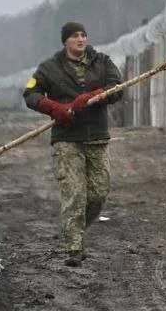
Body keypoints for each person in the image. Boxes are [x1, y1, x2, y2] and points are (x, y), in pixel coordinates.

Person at [23, 22, 125, 267]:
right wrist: (54, 108)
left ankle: (75, 229)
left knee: (98, 193)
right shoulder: (49, 68)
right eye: (75, 36)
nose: (81, 39)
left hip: (96, 137)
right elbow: (30, 94)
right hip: (66, 139)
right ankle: (74, 247)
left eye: (83, 35)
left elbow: (118, 88)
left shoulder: (102, 62)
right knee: (74, 193)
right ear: (65, 41)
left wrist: (94, 96)